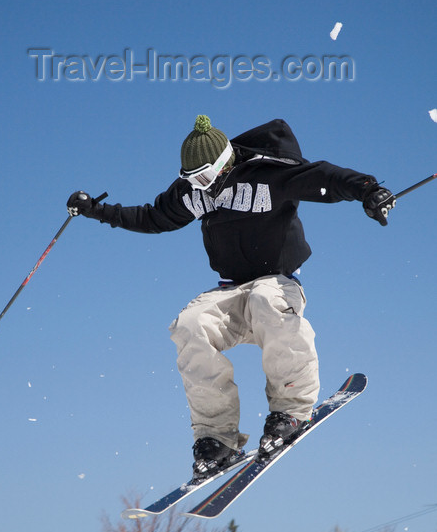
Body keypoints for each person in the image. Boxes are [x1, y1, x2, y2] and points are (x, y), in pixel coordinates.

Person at [67, 115, 396, 480]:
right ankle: (217, 438)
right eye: (192, 180)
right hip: (230, 289)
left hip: (277, 282)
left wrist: (368, 190)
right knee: (190, 325)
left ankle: (291, 408)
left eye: (205, 177)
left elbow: (325, 178)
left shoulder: (270, 173)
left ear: (224, 161)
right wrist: (97, 212)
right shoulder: (195, 191)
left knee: (266, 301)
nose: (200, 187)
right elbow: (153, 217)